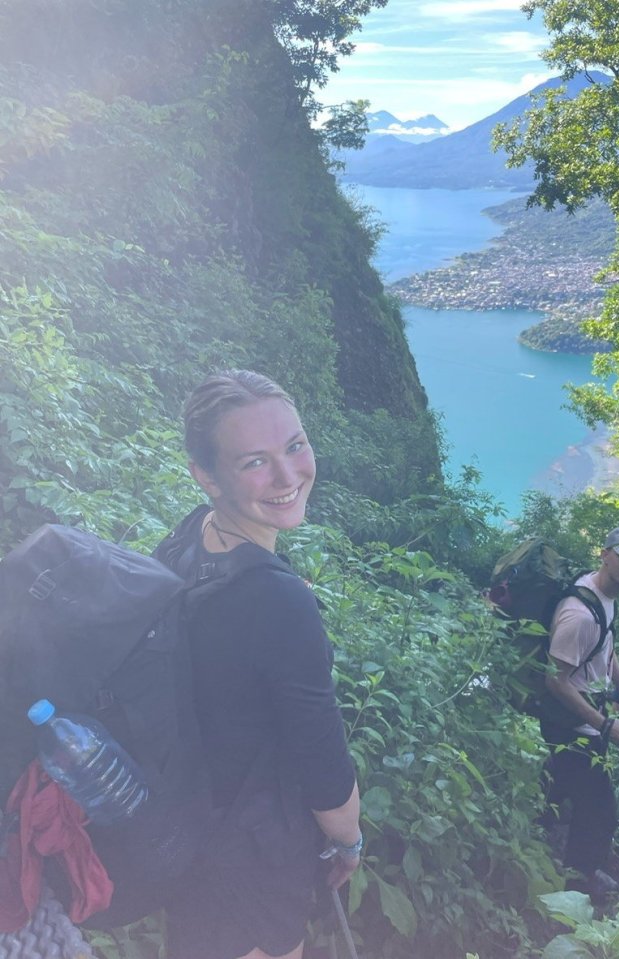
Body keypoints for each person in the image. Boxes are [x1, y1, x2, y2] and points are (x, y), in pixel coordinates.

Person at [157, 370, 361, 959]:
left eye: (295, 446)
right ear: (207, 476)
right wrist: (348, 842)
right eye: (255, 462)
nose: (288, 475)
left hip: (191, 836)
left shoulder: (187, 540)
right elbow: (322, 756)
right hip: (251, 861)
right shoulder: (276, 598)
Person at [540, 525, 619, 902]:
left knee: (564, 790)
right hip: (570, 721)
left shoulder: (605, 598)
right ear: (604, 554)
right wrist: (605, 726)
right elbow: (555, 680)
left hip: (587, 719)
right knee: (600, 808)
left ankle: (544, 843)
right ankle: (578, 881)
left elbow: (607, 648)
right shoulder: (579, 615)